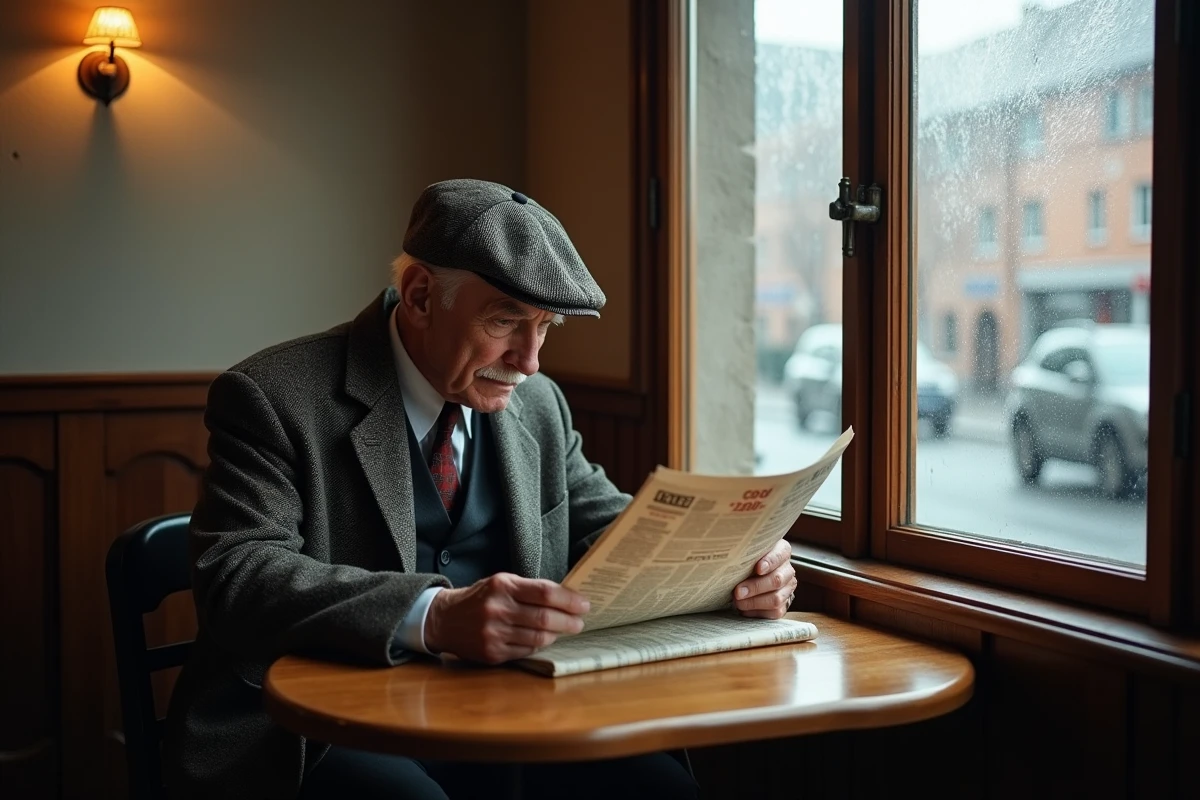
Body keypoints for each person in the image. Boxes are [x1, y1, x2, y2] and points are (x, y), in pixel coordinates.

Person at [162, 178, 798, 800]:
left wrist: (736, 564)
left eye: (546, 326)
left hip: (515, 716)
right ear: (419, 295)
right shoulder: (272, 396)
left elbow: (616, 528)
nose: (530, 360)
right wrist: (434, 616)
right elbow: (237, 574)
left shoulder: (540, 404)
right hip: (313, 733)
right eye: (505, 320)